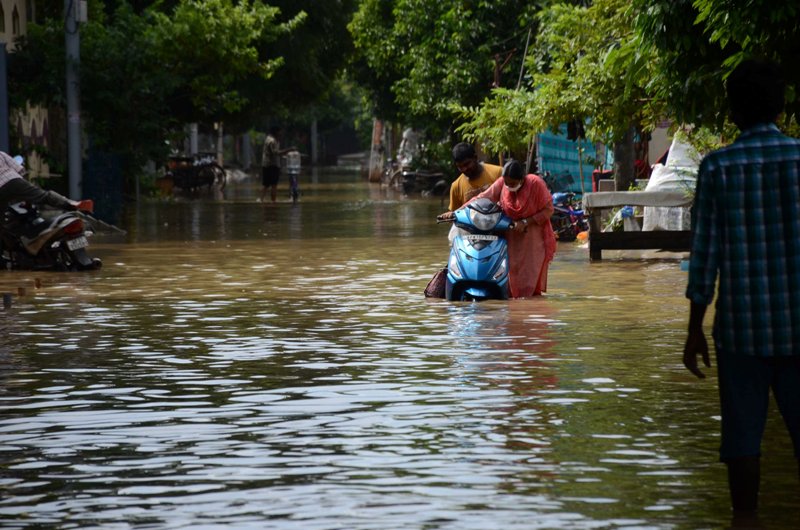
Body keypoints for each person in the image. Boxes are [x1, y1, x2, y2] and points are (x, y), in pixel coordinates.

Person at [683, 58, 800, 516]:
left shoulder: (718, 167)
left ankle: (745, 522)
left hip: (741, 333)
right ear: (782, 106)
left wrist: (694, 329)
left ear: (732, 112)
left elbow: (705, 258)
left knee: (742, 439)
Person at [449, 159, 556, 298]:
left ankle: (529, 311)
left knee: (529, 280)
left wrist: (525, 222)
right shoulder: (502, 184)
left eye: (512, 183)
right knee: (509, 277)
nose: (508, 186)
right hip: (510, 237)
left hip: (532, 239)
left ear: (522, 179)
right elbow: (483, 197)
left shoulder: (535, 184)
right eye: (506, 183)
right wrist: (456, 212)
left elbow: (548, 210)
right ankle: (514, 312)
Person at [0, 151, 93, 212]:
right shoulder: (1, 154)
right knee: (43, 196)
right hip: (13, 180)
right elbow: (20, 170)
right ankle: (72, 204)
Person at [445, 142, 502, 213]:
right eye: (460, 167)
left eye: (467, 164)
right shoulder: (456, 186)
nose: (464, 169)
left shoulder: (498, 173)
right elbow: (454, 213)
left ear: (475, 158)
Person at [260, 126, 295, 203]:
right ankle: (273, 202)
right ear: (276, 132)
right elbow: (276, 153)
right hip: (272, 165)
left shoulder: (270, 139)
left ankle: (261, 200)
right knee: (273, 184)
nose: (281, 133)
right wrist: (289, 149)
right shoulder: (272, 141)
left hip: (267, 164)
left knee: (266, 184)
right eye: (280, 132)